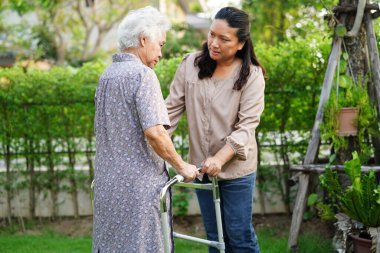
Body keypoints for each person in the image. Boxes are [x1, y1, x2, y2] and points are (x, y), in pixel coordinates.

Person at [92, 6, 199, 253]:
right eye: (160, 44)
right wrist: (182, 166)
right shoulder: (143, 75)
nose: (161, 52)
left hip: (108, 184)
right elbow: (155, 132)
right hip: (138, 188)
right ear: (143, 39)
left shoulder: (107, 75)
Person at [166, 6, 265, 253]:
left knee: (238, 236)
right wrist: (153, 141)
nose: (214, 43)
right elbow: (169, 112)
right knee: (215, 237)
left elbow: (247, 127)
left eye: (224, 39)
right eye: (212, 34)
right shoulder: (190, 64)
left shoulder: (252, 76)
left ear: (241, 44)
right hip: (201, 168)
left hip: (236, 171)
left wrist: (220, 158)